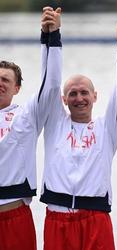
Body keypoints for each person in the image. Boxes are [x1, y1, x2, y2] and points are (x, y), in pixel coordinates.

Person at [39, 8, 117, 250]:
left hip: (96, 219)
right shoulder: (55, 123)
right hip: (57, 220)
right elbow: (49, 81)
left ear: (95, 96)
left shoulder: (107, 128)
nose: (79, 98)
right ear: (64, 99)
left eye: (84, 93)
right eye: (72, 93)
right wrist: (51, 36)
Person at [0, 7, 63, 250]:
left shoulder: (27, 115)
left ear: (17, 88)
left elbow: (52, 83)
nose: (0, 84)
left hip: (15, 216)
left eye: (5, 80)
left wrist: (50, 36)